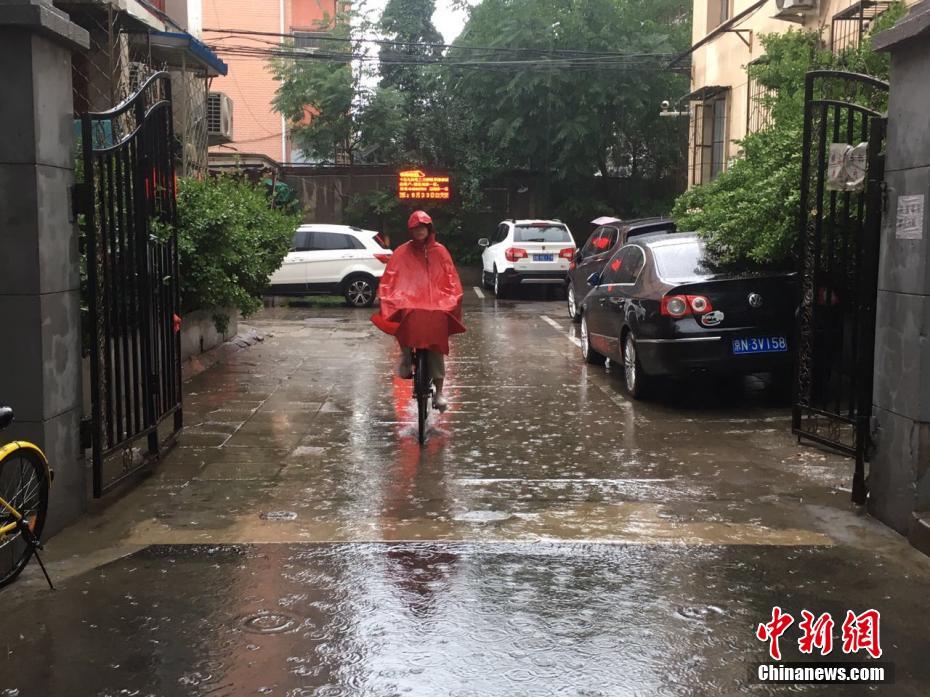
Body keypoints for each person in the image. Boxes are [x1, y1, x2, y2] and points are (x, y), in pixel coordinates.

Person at [371, 211, 465, 413]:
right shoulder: (401, 252)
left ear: (429, 229)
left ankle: (439, 392)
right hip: (410, 303)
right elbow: (391, 279)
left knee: (436, 345)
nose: (420, 231)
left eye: (423, 227)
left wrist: (450, 299)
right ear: (411, 230)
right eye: (416, 228)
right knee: (404, 322)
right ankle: (406, 356)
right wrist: (391, 296)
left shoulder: (440, 252)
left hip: (436, 305)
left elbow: (450, 279)